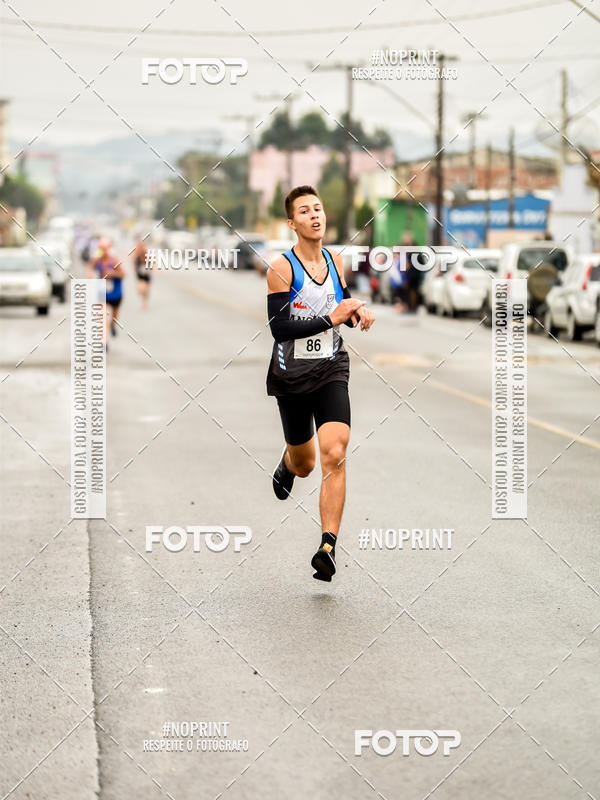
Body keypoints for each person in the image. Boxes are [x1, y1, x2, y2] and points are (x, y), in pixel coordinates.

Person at [266, 185, 375, 582]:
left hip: (331, 367)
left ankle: (327, 546)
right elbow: (280, 328)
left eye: (319, 208)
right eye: (305, 211)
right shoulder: (281, 268)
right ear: (292, 223)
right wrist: (333, 316)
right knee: (308, 463)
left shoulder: (335, 260)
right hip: (292, 376)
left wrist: (356, 311)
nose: (315, 215)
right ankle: (289, 462)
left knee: (335, 452)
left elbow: (340, 300)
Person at [88, 238, 125, 345]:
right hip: (102, 293)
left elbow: (123, 274)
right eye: (100, 248)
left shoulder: (115, 260)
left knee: (114, 316)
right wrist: (90, 274)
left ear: (109, 248)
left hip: (116, 293)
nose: (103, 250)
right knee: (102, 317)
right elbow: (90, 268)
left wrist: (112, 274)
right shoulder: (96, 260)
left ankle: (113, 325)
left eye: (105, 248)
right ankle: (105, 340)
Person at [132, 237, 151, 309]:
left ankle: (145, 301)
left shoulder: (147, 253)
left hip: (147, 273)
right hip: (139, 273)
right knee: (141, 287)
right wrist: (135, 268)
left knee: (146, 288)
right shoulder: (137, 254)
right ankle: (141, 296)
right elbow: (133, 261)